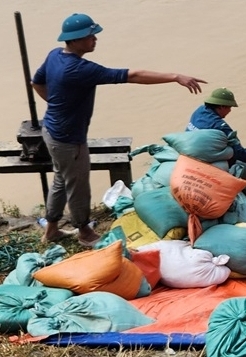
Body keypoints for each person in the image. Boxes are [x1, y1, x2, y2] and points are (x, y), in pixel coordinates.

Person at [31, 13, 207, 246]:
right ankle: (85, 233)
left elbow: (37, 82)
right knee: (77, 186)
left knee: (60, 180)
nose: (95, 39)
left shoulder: (55, 55)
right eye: (89, 36)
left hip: (51, 131)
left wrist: (56, 105)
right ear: (74, 40)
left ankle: (51, 229)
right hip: (69, 139)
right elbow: (132, 75)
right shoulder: (79, 69)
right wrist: (175, 77)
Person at [186, 87, 246, 180]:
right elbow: (239, 153)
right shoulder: (220, 126)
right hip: (209, 163)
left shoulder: (199, 111)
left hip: (191, 158)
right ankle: (233, 177)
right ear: (221, 107)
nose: (230, 111)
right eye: (229, 107)